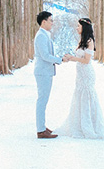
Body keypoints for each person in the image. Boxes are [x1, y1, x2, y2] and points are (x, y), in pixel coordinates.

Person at [56, 18, 104, 139]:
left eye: (78, 26)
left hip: (87, 73)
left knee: (87, 96)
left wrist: (73, 58)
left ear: (84, 27)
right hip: (80, 74)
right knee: (79, 96)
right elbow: (81, 57)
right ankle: (78, 124)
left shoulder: (90, 41)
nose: (76, 28)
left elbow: (86, 60)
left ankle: (90, 125)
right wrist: (70, 57)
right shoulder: (82, 40)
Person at [34, 11, 68, 139]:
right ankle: (41, 130)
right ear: (44, 22)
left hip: (46, 71)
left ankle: (42, 126)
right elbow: (45, 56)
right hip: (43, 72)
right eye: (51, 20)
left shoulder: (44, 35)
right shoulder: (41, 36)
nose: (52, 23)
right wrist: (60, 60)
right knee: (42, 100)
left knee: (44, 100)